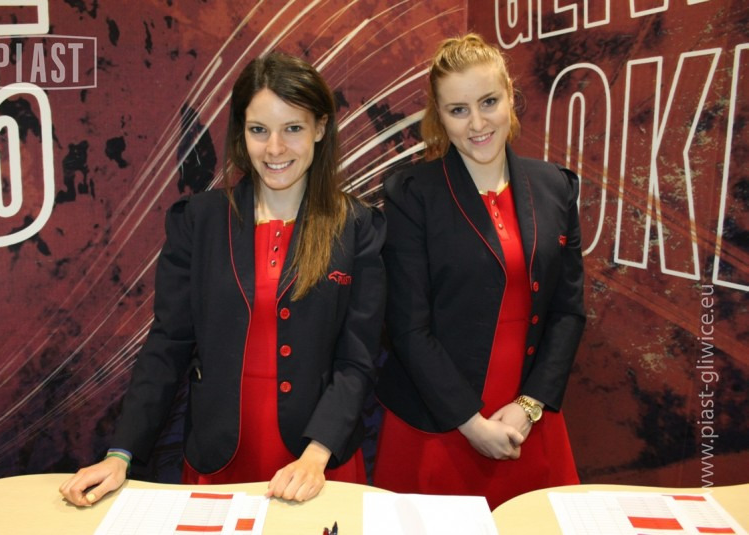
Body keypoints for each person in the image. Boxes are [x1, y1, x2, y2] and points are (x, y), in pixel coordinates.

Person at [59, 52, 386, 506]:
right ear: (241, 133)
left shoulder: (357, 226)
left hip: (317, 461)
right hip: (219, 455)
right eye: (259, 130)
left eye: (292, 128)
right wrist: (121, 454)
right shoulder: (199, 221)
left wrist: (316, 454)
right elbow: (167, 345)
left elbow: (357, 360)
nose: (274, 149)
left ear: (320, 128)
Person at [372, 33, 585, 509]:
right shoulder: (411, 194)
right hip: (437, 422)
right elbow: (407, 328)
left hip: (528, 422)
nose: (477, 123)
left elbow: (568, 311)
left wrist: (529, 406)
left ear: (510, 96)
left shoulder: (555, 186)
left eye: (489, 101)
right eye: (458, 110)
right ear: (439, 115)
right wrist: (470, 423)